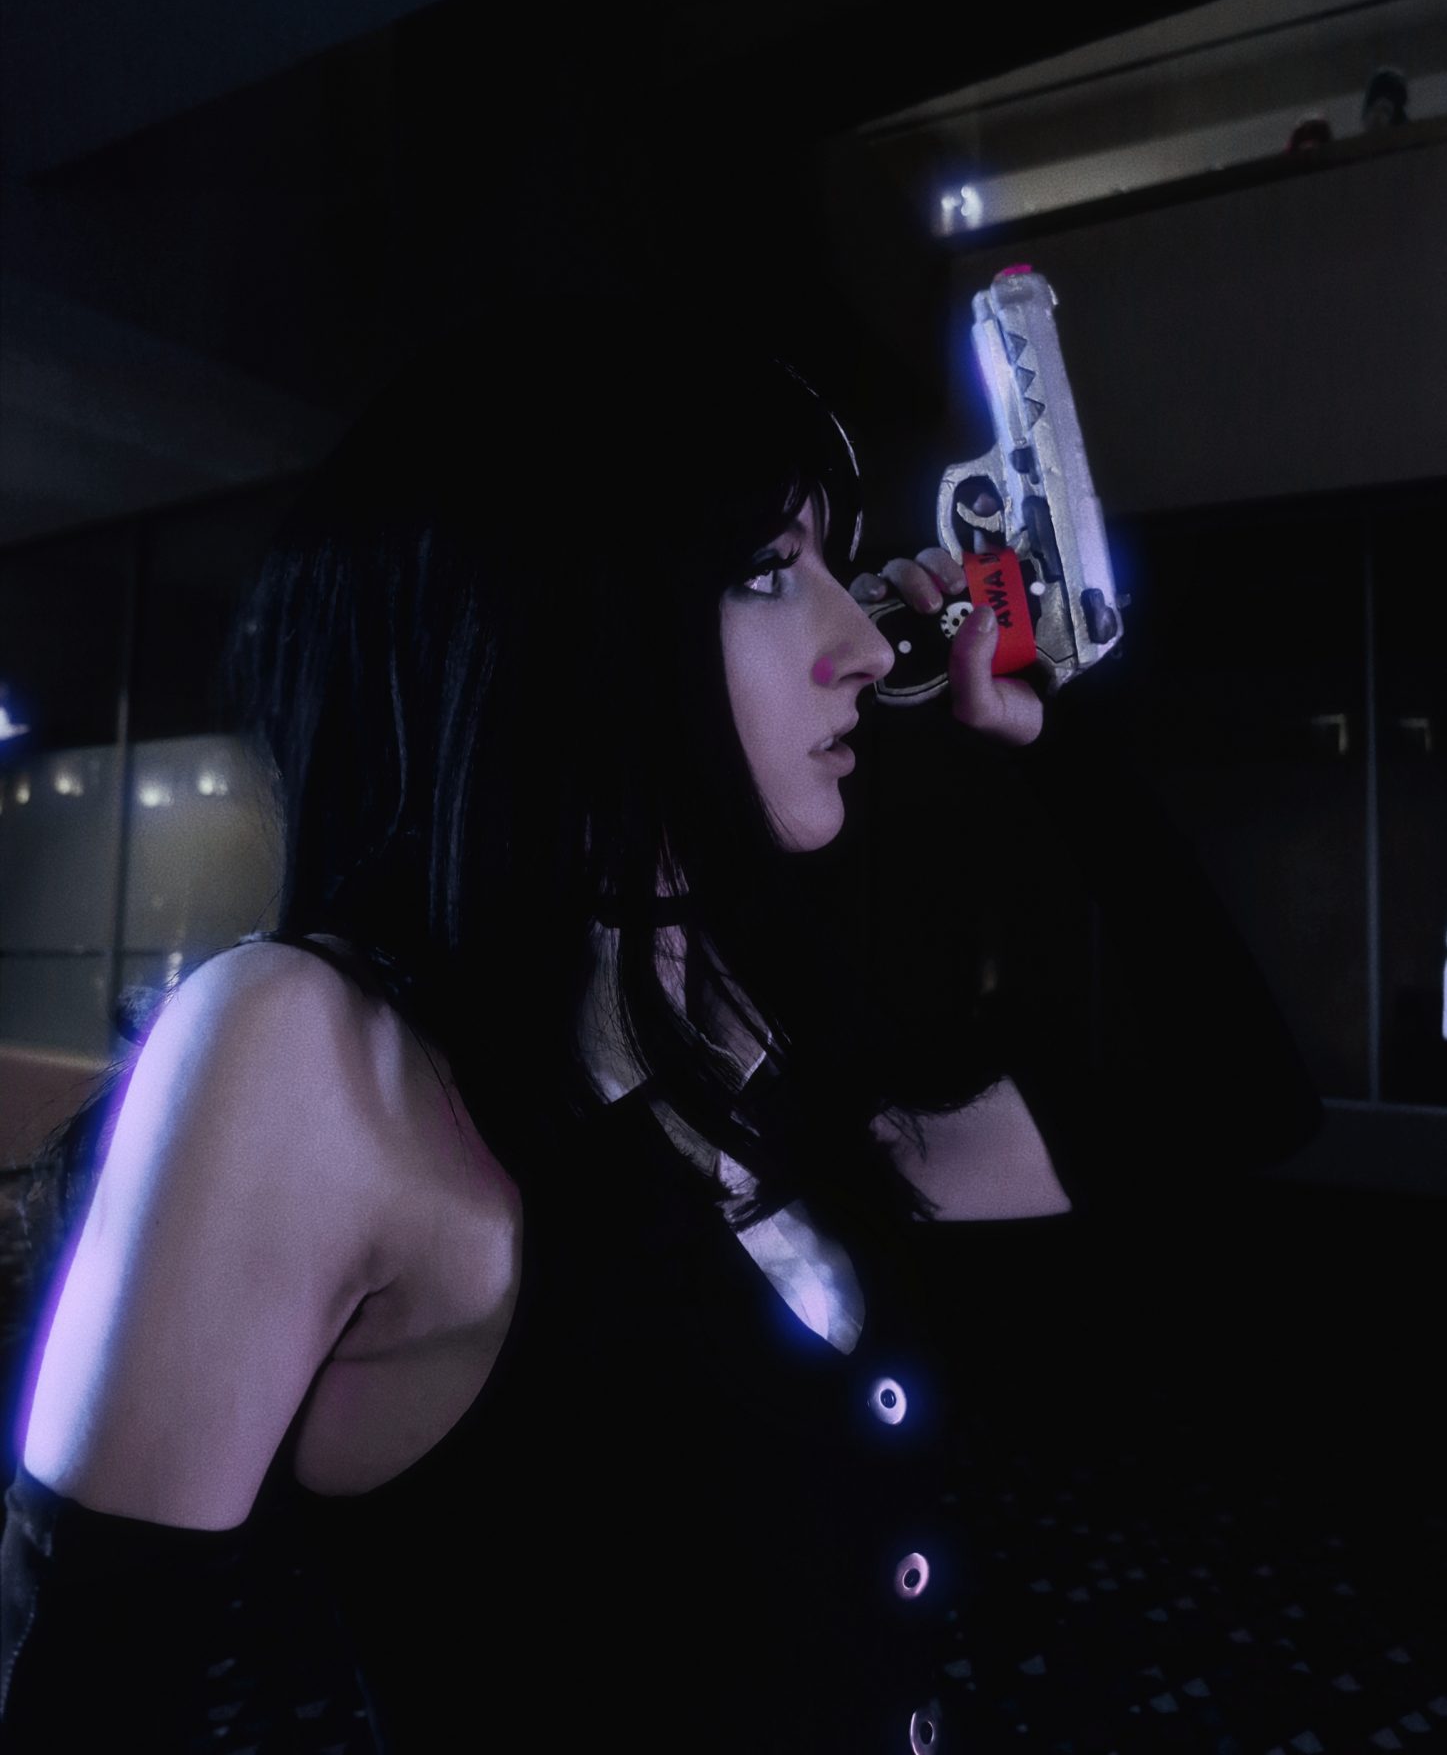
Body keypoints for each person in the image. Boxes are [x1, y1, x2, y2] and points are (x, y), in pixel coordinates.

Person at [1, 300, 1323, 1751]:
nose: (862, 641)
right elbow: (77, 1700)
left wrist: (1059, 735)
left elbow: (1241, 1102)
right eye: (766, 571)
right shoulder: (313, 1050)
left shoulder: (743, 1053)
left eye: (832, 565)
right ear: (557, 615)